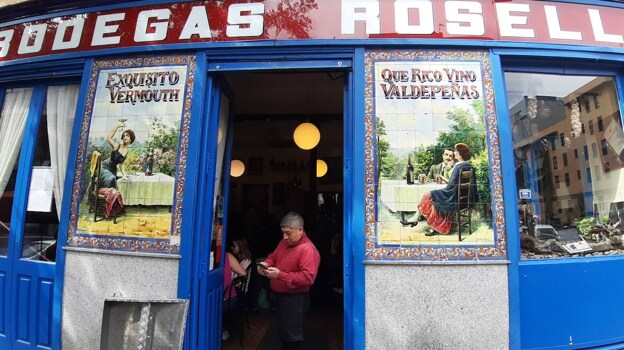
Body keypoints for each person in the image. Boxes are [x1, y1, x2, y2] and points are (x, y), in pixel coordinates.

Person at [257, 211, 321, 350]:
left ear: (300, 230)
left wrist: (280, 275)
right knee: (283, 334)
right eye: (283, 232)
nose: (285, 237)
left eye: (288, 233)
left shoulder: (308, 249)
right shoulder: (284, 242)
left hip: (294, 300)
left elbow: (307, 278)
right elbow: (273, 257)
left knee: (292, 338)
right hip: (279, 297)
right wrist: (266, 264)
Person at [418, 143, 478, 236]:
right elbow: (456, 184)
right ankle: (438, 225)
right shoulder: (469, 166)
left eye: (456, 151)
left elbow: (450, 186)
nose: (454, 153)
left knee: (429, 196)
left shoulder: (458, 166)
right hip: (465, 200)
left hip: (454, 200)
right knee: (434, 196)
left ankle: (437, 226)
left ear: (460, 153)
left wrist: (440, 188)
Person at [99, 120, 135, 189]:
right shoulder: (116, 145)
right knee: (112, 179)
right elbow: (109, 138)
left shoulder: (127, 151)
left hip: (113, 170)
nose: (125, 137)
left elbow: (121, 164)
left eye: (127, 135)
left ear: (131, 139)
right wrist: (117, 126)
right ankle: (109, 198)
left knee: (115, 180)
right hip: (105, 167)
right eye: (124, 135)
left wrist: (124, 175)